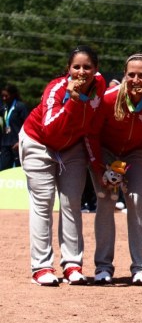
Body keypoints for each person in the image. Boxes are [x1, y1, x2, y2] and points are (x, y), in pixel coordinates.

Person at [20, 45, 106, 286]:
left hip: (73, 146)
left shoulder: (99, 86)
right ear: (68, 69)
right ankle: (42, 268)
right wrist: (74, 101)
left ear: (96, 69)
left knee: (71, 202)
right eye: (76, 67)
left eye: (87, 67)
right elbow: (50, 129)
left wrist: (98, 167)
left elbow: (93, 128)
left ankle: (72, 265)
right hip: (39, 142)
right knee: (43, 202)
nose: (81, 72)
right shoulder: (56, 88)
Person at [84, 53, 142, 286]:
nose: (135, 79)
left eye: (141, 75)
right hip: (107, 153)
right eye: (130, 74)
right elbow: (91, 134)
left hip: (137, 153)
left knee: (135, 201)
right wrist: (100, 167)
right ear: (124, 75)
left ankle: (141, 267)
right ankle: (103, 267)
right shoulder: (108, 98)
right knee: (106, 200)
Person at [0, 84, 29, 170]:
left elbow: (27, 124)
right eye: (2, 96)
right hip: (5, 143)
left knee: (18, 168)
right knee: (4, 168)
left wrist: (20, 141)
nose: (4, 98)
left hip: (17, 143)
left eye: (6, 96)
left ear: (13, 95)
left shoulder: (20, 107)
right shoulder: (4, 108)